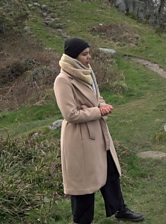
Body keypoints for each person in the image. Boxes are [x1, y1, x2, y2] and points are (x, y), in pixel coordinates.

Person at [54, 37, 144, 223]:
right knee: (83, 185)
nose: (89, 57)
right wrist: (98, 111)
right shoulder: (63, 80)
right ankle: (81, 221)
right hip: (79, 139)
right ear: (73, 57)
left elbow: (97, 96)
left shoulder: (87, 72)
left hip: (98, 132)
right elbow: (70, 114)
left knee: (111, 172)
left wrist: (102, 105)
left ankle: (120, 209)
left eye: (89, 53)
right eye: (84, 54)